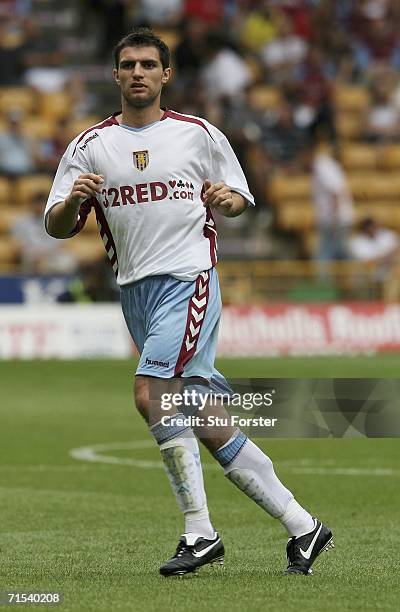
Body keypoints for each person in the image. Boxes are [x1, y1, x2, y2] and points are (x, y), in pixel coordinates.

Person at [44, 26, 333, 577]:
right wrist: (73, 202)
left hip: (187, 279)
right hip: (135, 290)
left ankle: (200, 531)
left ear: (166, 74)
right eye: (128, 64)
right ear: (114, 74)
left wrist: (230, 201)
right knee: (203, 415)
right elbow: (57, 226)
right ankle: (303, 525)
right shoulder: (89, 146)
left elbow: (239, 196)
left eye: (148, 65)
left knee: (150, 393)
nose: (137, 73)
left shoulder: (198, 134)